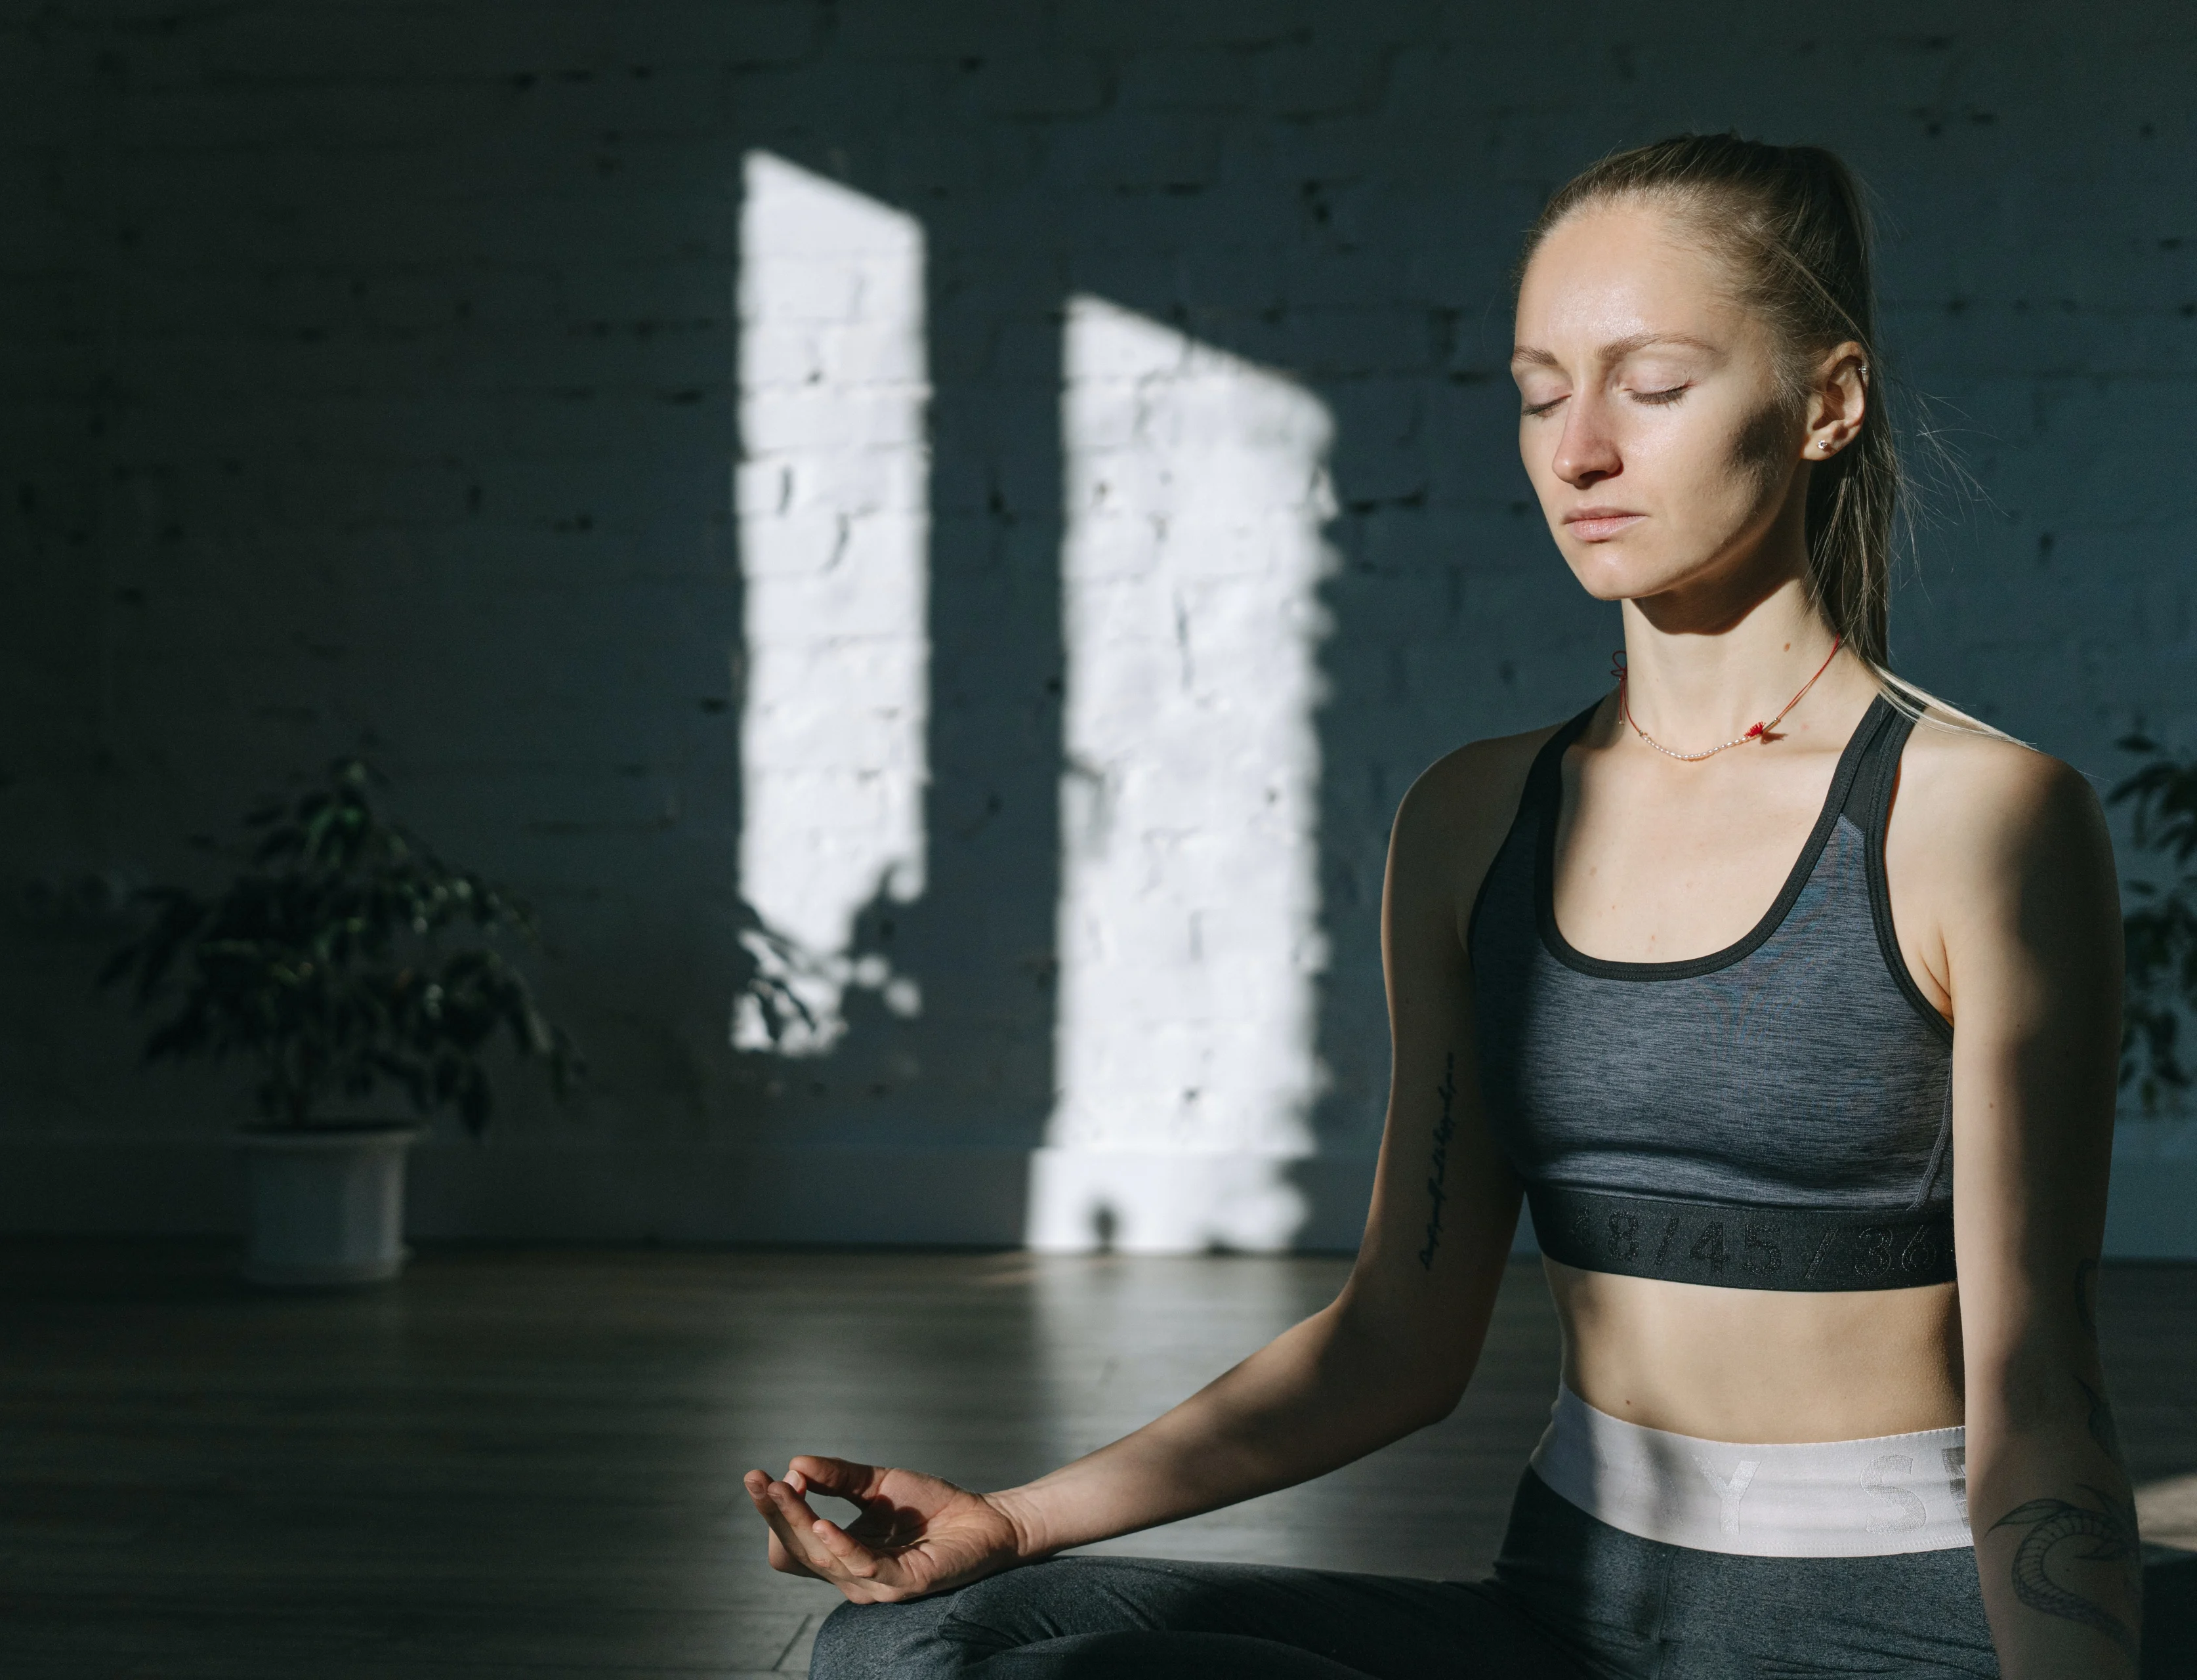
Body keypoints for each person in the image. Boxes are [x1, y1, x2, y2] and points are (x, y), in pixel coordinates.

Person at [742, 133, 2150, 1679]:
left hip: (1889, 1633)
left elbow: (2040, 1392)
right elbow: (1397, 1338)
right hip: (1566, 1615)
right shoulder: (1476, 818)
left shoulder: (1979, 815)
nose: (1580, 450)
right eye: (1542, 392)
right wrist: (1012, 1523)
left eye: (1652, 386)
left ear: (1829, 399)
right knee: (907, 1649)